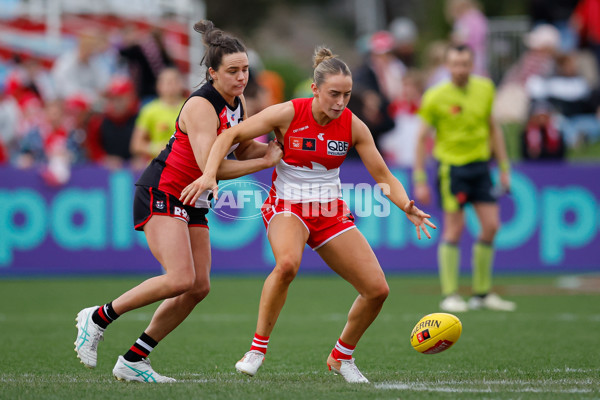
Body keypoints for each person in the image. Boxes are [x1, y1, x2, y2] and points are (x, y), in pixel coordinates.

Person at [180, 46, 436, 383]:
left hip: (329, 212)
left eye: (346, 94)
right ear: (315, 89)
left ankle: (341, 357)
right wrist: (210, 173)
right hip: (287, 206)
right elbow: (230, 134)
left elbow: (385, 176)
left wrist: (407, 207)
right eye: (333, 94)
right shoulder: (287, 112)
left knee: (377, 290)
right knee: (287, 264)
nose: (340, 102)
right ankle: (256, 350)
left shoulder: (353, 126)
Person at [73, 20, 283, 383]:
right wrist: (265, 162)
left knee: (199, 286)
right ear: (212, 72)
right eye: (232, 71)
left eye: (245, 70)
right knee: (179, 277)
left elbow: (245, 147)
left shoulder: (238, 101)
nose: (241, 78)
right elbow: (210, 167)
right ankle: (97, 317)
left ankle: (135, 359)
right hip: (162, 191)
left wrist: (281, 150)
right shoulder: (202, 104)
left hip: (192, 199)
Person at [413, 44, 516, 313]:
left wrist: (504, 167)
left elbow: (493, 128)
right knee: (454, 229)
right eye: (455, 64)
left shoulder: (485, 89)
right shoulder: (435, 96)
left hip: (481, 167)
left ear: (472, 65)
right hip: (452, 169)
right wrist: (420, 177)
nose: (460, 69)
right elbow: (422, 138)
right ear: (447, 66)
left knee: (492, 226)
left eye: (464, 64)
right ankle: (450, 294)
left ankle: (481, 294)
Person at [130, 67, 187, 163]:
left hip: (183, 164)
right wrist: (154, 148)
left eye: (175, 81)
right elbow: (136, 144)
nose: (172, 86)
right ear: (159, 86)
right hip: (158, 166)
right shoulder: (149, 110)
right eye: (168, 82)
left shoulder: (190, 106)